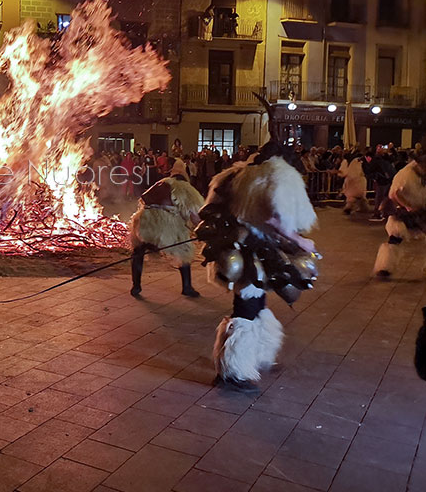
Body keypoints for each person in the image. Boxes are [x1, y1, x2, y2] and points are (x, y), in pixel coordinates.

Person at [196, 98, 319, 393]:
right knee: (247, 306)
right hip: (250, 252)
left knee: (256, 302)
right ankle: (232, 371)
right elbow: (279, 219)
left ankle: (259, 354)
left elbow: (212, 208)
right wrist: (301, 241)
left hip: (238, 249)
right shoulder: (277, 176)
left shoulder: (236, 174)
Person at [129, 158, 205, 298]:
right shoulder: (185, 188)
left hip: (145, 223)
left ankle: (136, 285)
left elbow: (144, 198)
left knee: (138, 251)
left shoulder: (160, 183)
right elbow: (195, 214)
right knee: (184, 250)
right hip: (167, 227)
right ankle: (187, 287)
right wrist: (201, 229)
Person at [373, 150, 426, 279]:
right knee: (395, 238)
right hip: (404, 212)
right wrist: (408, 206)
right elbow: (395, 194)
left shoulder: (421, 175)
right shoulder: (406, 175)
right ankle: (384, 268)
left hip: (421, 210)